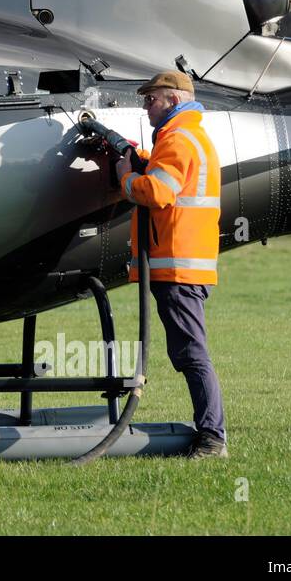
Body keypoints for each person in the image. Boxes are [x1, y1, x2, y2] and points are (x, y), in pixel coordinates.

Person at [114, 70, 227, 460]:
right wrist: (140, 157)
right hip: (183, 267)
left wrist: (126, 177)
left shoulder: (178, 138)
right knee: (188, 353)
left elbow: (159, 191)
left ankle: (213, 439)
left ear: (174, 101)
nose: (146, 106)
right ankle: (211, 435)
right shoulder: (186, 136)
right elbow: (170, 176)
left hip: (177, 269)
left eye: (152, 99)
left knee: (192, 355)